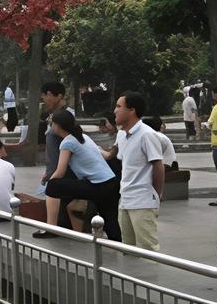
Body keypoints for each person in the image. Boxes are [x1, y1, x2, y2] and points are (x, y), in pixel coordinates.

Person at [42, 109, 121, 241]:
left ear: (58, 126)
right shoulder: (85, 137)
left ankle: (50, 228)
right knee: (111, 224)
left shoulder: (67, 142)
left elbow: (60, 172)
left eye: (52, 124)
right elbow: (105, 156)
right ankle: (121, 247)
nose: (51, 127)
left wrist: (49, 184)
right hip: (111, 184)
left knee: (52, 186)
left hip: (98, 186)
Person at [114, 92, 164, 251]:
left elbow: (158, 166)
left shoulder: (147, 134)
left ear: (132, 110)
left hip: (143, 201)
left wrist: (156, 194)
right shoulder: (122, 135)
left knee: (148, 249)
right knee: (128, 248)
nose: (115, 111)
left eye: (119, 106)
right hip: (125, 199)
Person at [36, 81, 76, 236]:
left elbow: (71, 145)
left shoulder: (68, 117)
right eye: (44, 95)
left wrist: (54, 172)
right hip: (56, 171)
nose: (45, 99)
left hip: (65, 172)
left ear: (59, 96)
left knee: (62, 209)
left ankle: (55, 230)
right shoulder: (53, 117)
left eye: (48, 95)